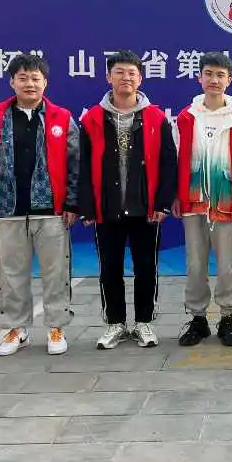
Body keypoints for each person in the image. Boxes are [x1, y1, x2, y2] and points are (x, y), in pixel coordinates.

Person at [0, 53, 80, 357]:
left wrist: (72, 203)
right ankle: (15, 328)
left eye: (35, 78)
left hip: (51, 212)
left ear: (45, 82)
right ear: (12, 82)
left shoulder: (62, 118)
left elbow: (75, 163)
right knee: (10, 274)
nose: (29, 84)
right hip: (9, 210)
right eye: (22, 78)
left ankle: (56, 327)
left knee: (56, 273)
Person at [80, 51, 176, 350]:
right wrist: (87, 206)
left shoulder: (155, 118)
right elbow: (82, 165)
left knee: (146, 267)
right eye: (119, 72)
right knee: (110, 268)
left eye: (132, 73)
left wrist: (161, 203)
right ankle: (115, 324)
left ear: (140, 79)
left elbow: (169, 163)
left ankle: (144, 322)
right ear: (108, 77)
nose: (126, 78)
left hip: (145, 208)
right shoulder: (93, 118)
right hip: (107, 207)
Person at [171, 52, 232, 347]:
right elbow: (176, 159)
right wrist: (176, 195)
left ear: (229, 80)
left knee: (227, 267)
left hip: (228, 203)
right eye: (208, 74)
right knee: (195, 265)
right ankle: (198, 320)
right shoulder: (186, 118)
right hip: (193, 203)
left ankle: (227, 318)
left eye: (220, 75)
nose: (214, 80)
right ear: (199, 78)